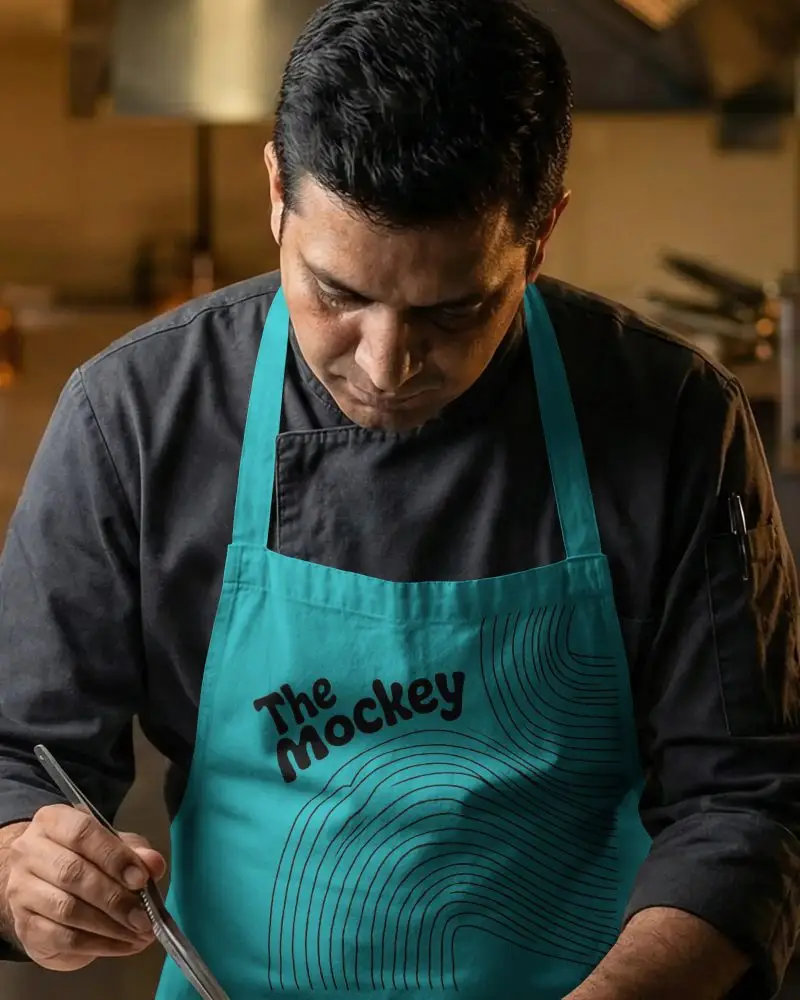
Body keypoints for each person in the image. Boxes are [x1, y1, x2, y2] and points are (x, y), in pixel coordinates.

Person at [0, 1, 799, 997]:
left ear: (540, 231)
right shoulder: (136, 414)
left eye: (452, 308)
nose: (385, 363)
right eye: (335, 293)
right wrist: (23, 870)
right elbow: (16, 757)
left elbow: (743, 803)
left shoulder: (672, 419)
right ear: (275, 197)